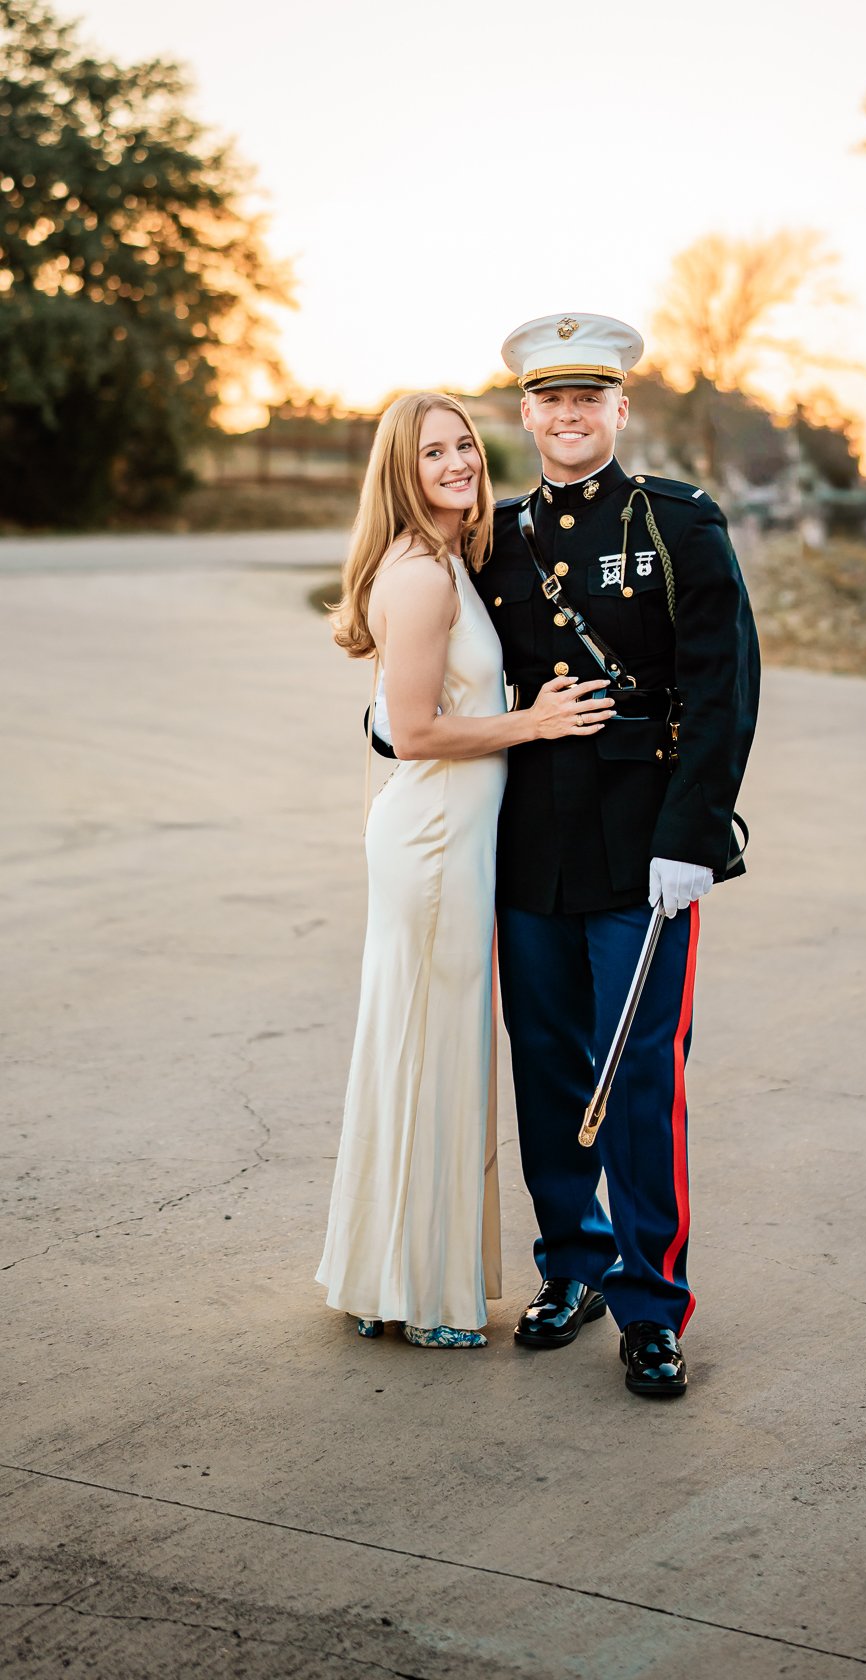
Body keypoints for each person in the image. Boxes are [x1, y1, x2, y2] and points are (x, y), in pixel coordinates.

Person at [483, 315, 761, 1396]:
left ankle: (652, 1304)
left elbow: (724, 683)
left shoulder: (678, 521)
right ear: (526, 415)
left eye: (587, 400)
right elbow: (450, 655)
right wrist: (391, 721)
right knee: (548, 1066)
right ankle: (575, 1265)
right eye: (550, 401)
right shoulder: (495, 535)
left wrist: (693, 837)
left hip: (647, 845)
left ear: (618, 411)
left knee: (637, 1078)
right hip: (530, 844)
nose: (567, 417)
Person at [316, 391, 613, 1349]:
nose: (458, 465)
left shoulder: (451, 560)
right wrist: (534, 721)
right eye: (434, 452)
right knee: (430, 1051)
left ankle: (385, 1278)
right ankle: (415, 1289)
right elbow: (410, 732)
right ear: (401, 469)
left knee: (423, 1048)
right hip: (434, 842)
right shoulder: (421, 575)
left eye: (465, 448)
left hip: (453, 839)